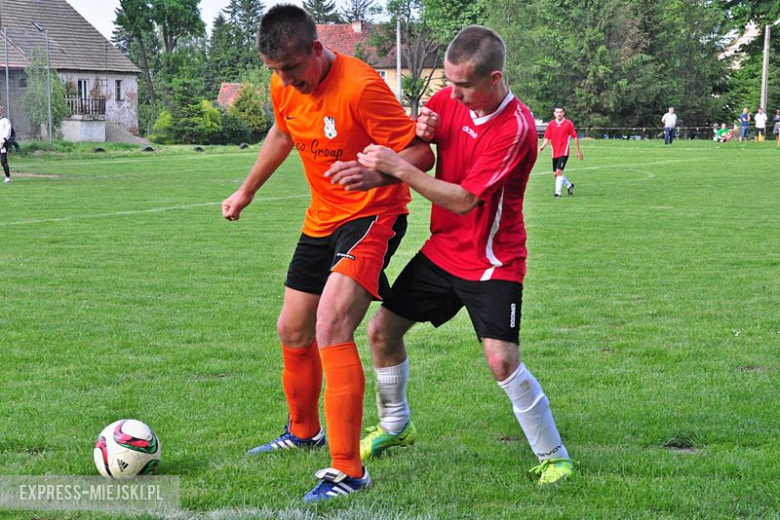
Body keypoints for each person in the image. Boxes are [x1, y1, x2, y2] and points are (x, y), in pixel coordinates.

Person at [327, 25, 573, 485]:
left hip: (493, 260)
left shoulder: (516, 128)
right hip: (443, 251)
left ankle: (555, 455)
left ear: (495, 79)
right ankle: (396, 427)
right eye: (448, 82)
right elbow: (422, 148)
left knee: (501, 360)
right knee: (382, 331)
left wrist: (396, 168)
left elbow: (462, 199)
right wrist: (410, 144)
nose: (451, 94)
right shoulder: (446, 102)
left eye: (463, 85)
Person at [221, 4, 433, 502]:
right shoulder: (283, 84)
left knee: (333, 326)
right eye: (276, 71)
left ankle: (347, 470)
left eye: (294, 68)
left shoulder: (360, 86)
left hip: (374, 214)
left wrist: (378, 174)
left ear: (317, 49)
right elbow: (282, 132)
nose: (287, 80)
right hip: (323, 217)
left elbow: (422, 154)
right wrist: (247, 190)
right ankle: (302, 432)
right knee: (291, 329)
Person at [539, 107, 583, 198]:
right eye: (557, 112)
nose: (559, 114)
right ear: (554, 113)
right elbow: (547, 137)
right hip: (554, 152)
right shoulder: (551, 124)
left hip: (564, 152)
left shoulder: (568, 124)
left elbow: (574, 137)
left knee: (559, 171)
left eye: (561, 112)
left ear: (563, 113)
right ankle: (569, 185)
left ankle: (557, 193)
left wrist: (578, 151)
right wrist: (542, 147)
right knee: (556, 174)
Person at [0, 105, 12, 184]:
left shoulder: (5, 120)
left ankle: (7, 177)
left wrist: (4, 140)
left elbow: (8, 131)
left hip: (2, 143)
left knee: (3, 161)